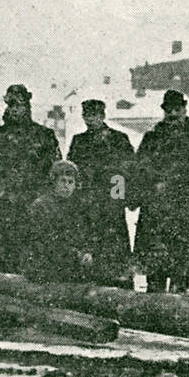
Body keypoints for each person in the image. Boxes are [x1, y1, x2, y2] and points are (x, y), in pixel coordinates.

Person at [130, 89, 189, 293]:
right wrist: (150, 189)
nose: (173, 114)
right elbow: (138, 169)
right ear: (163, 111)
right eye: (168, 110)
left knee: (182, 270)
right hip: (156, 212)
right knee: (155, 271)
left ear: (184, 110)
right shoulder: (152, 139)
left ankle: (177, 319)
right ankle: (152, 318)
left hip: (186, 213)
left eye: (177, 109)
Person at [0, 83, 61, 272]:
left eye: (19, 105)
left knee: (36, 253)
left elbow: (56, 171)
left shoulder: (44, 135)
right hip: (8, 207)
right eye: (11, 105)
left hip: (35, 204)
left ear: (27, 106)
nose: (14, 110)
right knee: (7, 257)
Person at [67, 98, 135, 287]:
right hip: (87, 204)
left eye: (95, 115)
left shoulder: (119, 139)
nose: (91, 120)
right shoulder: (79, 141)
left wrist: (118, 198)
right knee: (88, 244)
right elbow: (73, 170)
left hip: (111, 205)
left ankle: (119, 285)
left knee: (114, 246)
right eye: (87, 116)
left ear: (102, 116)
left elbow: (128, 170)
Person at [25, 161, 97, 283]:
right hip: (46, 269)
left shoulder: (78, 207)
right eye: (63, 181)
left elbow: (87, 234)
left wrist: (87, 252)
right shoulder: (41, 205)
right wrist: (76, 255)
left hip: (71, 266)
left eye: (70, 182)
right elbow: (45, 241)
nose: (66, 186)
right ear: (54, 182)